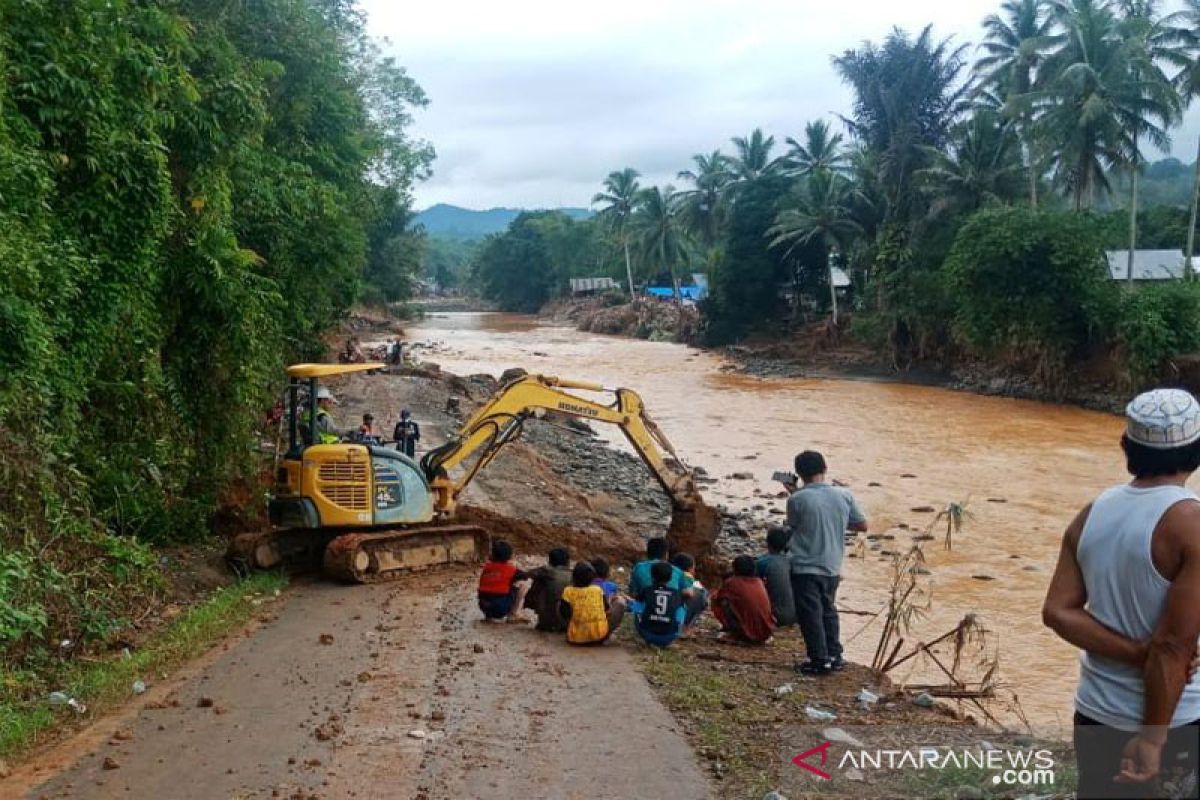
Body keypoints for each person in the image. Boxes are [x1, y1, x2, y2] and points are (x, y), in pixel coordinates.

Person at [1043, 388, 1200, 799]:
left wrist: (1134, 651)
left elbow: (1059, 612)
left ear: (1126, 446)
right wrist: (1152, 740)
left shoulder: (1094, 511)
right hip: (1174, 722)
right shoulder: (1191, 524)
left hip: (1095, 712)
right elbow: (1172, 646)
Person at [784, 450, 867, 675]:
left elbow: (793, 526)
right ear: (824, 469)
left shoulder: (796, 499)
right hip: (832, 565)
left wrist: (794, 493)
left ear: (799, 473)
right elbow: (862, 525)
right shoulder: (844, 495)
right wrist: (838, 522)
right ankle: (835, 655)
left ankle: (819, 660)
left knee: (810, 613)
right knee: (828, 610)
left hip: (805, 565)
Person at [627, 537, 703, 627]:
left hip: (645, 618)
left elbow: (633, 592)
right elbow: (688, 593)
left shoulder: (638, 568)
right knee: (700, 592)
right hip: (670, 623)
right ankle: (686, 626)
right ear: (666, 554)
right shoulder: (676, 571)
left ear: (647, 552)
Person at [712, 555, 775, 644]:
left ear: (735, 569)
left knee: (717, 598)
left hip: (748, 633)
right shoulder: (759, 582)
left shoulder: (732, 583)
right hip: (767, 632)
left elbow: (718, 599)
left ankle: (735, 633)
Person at [559, 561, 625, 645]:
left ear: (573, 577)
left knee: (560, 604)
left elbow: (564, 613)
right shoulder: (597, 590)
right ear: (592, 579)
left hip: (575, 637)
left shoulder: (568, 591)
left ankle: (570, 629)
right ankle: (603, 634)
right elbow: (607, 609)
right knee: (620, 601)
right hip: (599, 636)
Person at [630, 561, 686, 648]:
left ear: (652, 576)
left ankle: (646, 638)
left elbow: (636, 608)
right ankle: (673, 636)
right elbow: (680, 614)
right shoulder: (676, 594)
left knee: (638, 606)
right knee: (682, 607)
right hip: (669, 636)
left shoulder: (646, 591)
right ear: (670, 578)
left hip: (647, 634)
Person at [477, 540, 531, 623]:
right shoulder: (510, 569)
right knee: (523, 584)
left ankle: (490, 616)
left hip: (483, 606)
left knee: (495, 586)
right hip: (500, 608)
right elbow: (525, 576)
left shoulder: (487, 567)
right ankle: (514, 614)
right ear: (509, 556)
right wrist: (515, 565)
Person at [524, 547, 573, 633]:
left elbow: (527, 574)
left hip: (547, 621)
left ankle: (544, 617)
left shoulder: (546, 571)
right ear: (568, 562)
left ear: (550, 561)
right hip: (568, 622)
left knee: (540, 581)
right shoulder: (574, 574)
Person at [756, 527, 797, 627]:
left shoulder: (763, 562)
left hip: (775, 615)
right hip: (795, 615)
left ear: (767, 543)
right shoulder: (790, 561)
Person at [671, 552, 708, 628]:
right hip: (676, 614)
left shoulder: (670, 573)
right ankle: (686, 625)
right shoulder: (687, 576)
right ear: (689, 569)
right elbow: (689, 593)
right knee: (703, 592)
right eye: (693, 568)